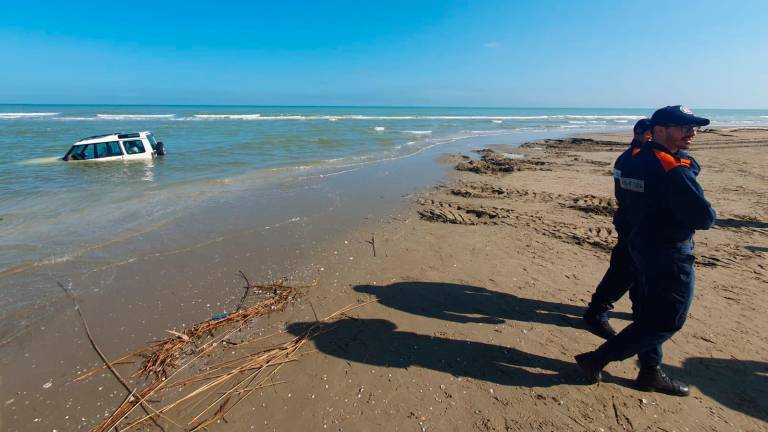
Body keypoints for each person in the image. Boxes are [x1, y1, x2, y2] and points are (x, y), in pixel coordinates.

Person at [575, 105, 716, 396]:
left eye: (694, 128)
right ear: (660, 130)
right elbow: (704, 218)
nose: (692, 133)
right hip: (668, 250)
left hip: (641, 242)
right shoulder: (672, 169)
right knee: (667, 319)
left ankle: (650, 371)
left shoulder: (634, 159)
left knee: (648, 312)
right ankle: (597, 358)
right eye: (684, 128)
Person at [582, 118, 653, 339]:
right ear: (641, 134)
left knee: (640, 270)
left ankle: (640, 309)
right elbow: (629, 194)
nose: (654, 139)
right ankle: (597, 312)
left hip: (637, 222)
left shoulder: (640, 157)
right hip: (633, 223)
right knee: (624, 269)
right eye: (651, 134)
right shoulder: (633, 158)